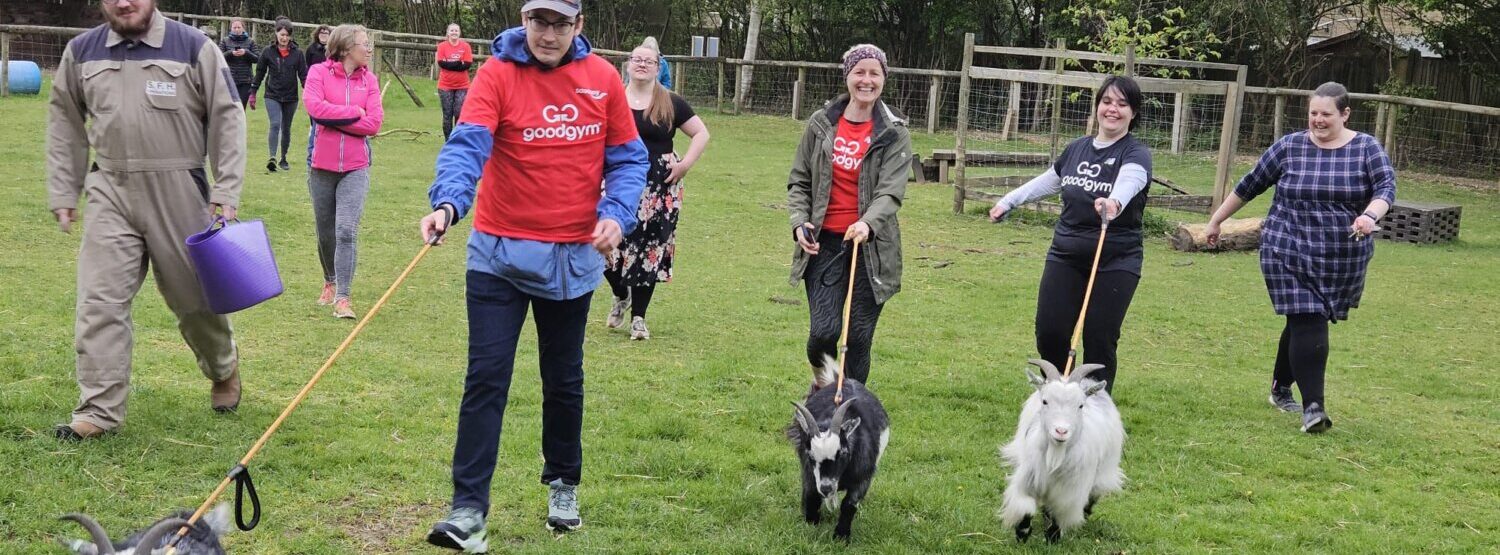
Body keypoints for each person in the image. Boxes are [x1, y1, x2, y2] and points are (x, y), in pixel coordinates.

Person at [417, 0, 648, 549]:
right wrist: (448, 203)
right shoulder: (496, 74)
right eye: (538, 22)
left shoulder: (601, 80)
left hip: (571, 259)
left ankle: (563, 484)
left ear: (578, 26)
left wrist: (616, 214)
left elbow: (629, 159)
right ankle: (468, 510)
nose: (547, 34)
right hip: (496, 255)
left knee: (563, 379)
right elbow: (468, 144)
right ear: (524, 22)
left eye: (560, 23)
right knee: (486, 378)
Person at [47, 0, 246, 439]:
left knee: (195, 301)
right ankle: (97, 413)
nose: (123, 2)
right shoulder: (82, 51)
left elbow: (227, 117)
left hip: (180, 187)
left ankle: (223, 368)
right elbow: (64, 122)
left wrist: (226, 188)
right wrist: (65, 189)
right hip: (110, 187)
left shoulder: (194, 46)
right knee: (99, 301)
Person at [1204, 81, 1395, 434]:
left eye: (1326, 114)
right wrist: (1217, 219)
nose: (1318, 121)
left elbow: (1386, 188)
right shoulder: (1290, 146)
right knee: (1308, 317)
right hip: (1285, 247)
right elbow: (1251, 184)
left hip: (1341, 254)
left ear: (1345, 114)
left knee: (1302, 321)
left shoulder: (1366, 148)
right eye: (1313, 114)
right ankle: (1314, 409)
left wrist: (1369, 215)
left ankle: (1280, 388)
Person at [988, 75, 1152, 396]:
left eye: (1122, 104)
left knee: (1099, 337)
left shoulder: (1135, 153)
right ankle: (1054, 397)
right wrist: (1008, 201)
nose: (1113, 109)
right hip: (1065, 255)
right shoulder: (1077, 149)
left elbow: (1131, 181)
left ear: (1133, 113)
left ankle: (1096, 409)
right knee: (1050, 331)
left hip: (1115, 260)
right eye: (1107, 102)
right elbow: (1050, 181)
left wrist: (1114, 202)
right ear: (1097, 107)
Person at [787, 44, 910, 386]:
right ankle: (823, 383)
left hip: (871, 249)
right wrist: (799, 222)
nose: (866, 80)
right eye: (860, 72)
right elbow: (798, 181)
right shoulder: (821, 124)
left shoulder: (894, 132)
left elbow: (890, 191)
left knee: (858, 337)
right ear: (848, 77)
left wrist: (867, 222)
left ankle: (852, 411)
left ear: (884, 79)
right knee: (823, 334)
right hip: (824, 245)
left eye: (875, 73)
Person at [602, 37, 711, 340]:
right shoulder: (613, 98)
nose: (642, 65)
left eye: (649, 61)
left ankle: (638, 318)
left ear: (657, 67)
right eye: (637, 59)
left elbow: (701, 133)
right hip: (617, 181)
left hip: (660, 185)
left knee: (649, 249)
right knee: (604, 245)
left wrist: (685, 164)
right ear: (628, 64)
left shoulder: (670, 100)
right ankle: (620, 292)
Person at [304, 24, 384, 319]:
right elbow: (313, 108)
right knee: (326, 232)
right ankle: (329, 279)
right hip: (321, 167)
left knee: (346, 230)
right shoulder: (318, 73)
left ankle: (343, 298)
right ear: (347, 47)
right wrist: (353, 113)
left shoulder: (370, 81)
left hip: (356, 167)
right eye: (365, 43)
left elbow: (373, 124)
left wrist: (332, 117)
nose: (369, 49)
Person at [250, 17, 308, 173]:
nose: (284, 38)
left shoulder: (298, 54)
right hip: (272, 95)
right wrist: (253, 93)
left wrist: (309, 94)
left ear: (290, 36)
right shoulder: (267, 52)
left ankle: (283, 158)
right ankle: (272, 157)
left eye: (287, 35)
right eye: (281, 34)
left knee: (286, 128)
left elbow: (303, 76)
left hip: (291, 97)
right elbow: (260, 73)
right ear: (276, 34)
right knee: (275, 124)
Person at [436, 23, 474, 140]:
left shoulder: (466, 46)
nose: (454, 32)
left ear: (459, 33)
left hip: (463, 85)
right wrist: (458, 63)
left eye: (456, 30)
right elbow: (442, 63)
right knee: (447, 114)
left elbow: (467, 65)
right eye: (451, 30)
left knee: (459, 112)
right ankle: (448, 140)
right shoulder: (442, 46)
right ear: (448, 33)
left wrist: (451, 64)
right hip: (445, 86)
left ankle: (458, 138)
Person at [220, 17, 259, 109]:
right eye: (234, 28)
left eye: (239, 27)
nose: (237, 30)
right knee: (229, 108)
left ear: (243, 28)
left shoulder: (250, 41)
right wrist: (230, 53)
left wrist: (246, 53)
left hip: (245, 80)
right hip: (229, 79)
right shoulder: (225, 41)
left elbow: (258, 58)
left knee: (241, 108)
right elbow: (218, 57)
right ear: (231, 28)